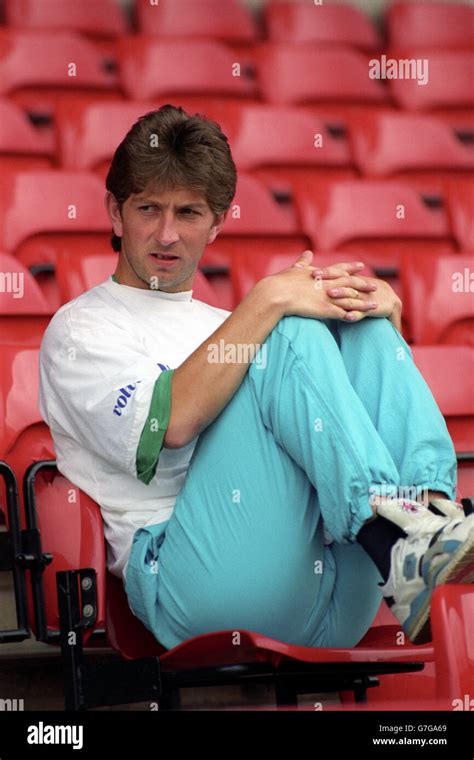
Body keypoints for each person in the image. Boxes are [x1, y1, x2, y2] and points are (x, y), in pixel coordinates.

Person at [38, 105, 474, 652]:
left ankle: (429, 523)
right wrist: (268, 299)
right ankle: (397, 533)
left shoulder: (230, 328)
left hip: (335, 592)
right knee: (291, 327)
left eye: (190, 213)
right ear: (115, 212)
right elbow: (170, 426)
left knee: (354, 317)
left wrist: (385, 322)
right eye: (148, 208)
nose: (167, 234)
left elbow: (343, 415)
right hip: (194, 586)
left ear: (218, 222)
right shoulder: (79, 328)